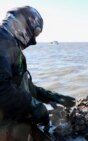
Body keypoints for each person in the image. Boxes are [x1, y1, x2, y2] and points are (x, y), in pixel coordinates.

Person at [0, 6, 75, 140]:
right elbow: (2, 90)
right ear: (24, 26)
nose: (33, 41)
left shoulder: (11, 46)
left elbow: (25, 86)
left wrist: (50, 96)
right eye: (35, 34)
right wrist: (33, 105)